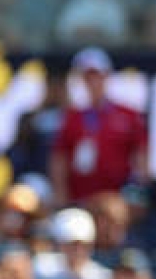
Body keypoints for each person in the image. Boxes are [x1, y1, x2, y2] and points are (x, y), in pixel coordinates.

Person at [48, 46, 147, 206]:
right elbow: (59, 158)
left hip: (116, 202)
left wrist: (137, 193)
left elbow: (141, 157)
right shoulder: (72, 117)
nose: (93, 82)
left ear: (106, 76)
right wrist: (61, 195)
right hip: (79, 198)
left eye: (97, 76)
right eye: (88, 77)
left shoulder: (128, 115)